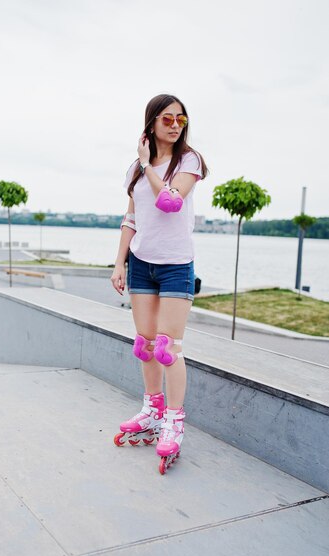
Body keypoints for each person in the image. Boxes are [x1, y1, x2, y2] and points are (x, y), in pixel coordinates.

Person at [111, 93, 208, 474]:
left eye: (180, 119)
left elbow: (169, 202)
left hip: (175, 265)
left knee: (169, 348)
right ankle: (152, 410)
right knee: (146, 346)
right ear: (151, 122)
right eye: (166, 118)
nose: (174, 124)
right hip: (141, 264)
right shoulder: (134, 170)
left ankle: (174, 420)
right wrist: (119, 263)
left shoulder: (189, 160)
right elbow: (131, 219)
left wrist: (150, 165)